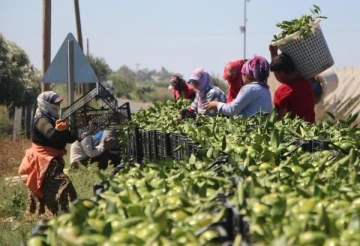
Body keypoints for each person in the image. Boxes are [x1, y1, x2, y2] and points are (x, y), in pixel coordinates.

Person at [18, 91, 77, 218]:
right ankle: (67, 214)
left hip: (53, 160)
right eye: (55, 104)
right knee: (63, 184)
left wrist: (81, 129)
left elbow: (70, 138)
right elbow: (50, 135)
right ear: (45, 104)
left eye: (59, 103)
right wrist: (58, 130)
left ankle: (56, 216)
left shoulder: (54, 117)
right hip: (43, 160)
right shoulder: (41, 119)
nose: (58, 106)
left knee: (48, 190)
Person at [204, 56, 272, 117]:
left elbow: (232, 109)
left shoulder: (249, 89)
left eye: (242, 74)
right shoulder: (265, 89)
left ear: (246, 74)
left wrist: (217, 104)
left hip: (250, 127)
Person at [269, 44, 315, 123]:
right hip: (311, 129)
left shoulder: (282, 91)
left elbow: (282, 120)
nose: (275, 76)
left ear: (281, 73)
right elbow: (280, 68)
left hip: (294, 133)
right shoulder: (306, 82)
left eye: (275, 73)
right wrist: (274, 53)